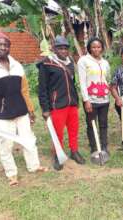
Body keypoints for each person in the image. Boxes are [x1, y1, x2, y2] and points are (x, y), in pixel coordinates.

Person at [0, 30, 47, 186]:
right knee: (5, 144)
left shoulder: (17, 65)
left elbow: (24, 90)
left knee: (29, 140)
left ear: (9, 47)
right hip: (1, 114)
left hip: (21, 111)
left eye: (5, 45)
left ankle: (34, 166)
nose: (2, 47)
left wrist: (30, 110)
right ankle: (11, 174)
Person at [37, 36, 85, 171]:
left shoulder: (70, 63)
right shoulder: (46, 64)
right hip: (57, 104)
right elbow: (42, 89)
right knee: (58, 132)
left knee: (73, 129)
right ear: (54, 49)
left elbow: (72, 84)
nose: (63, 51)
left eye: (65, 48)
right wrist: (45, 109)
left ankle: (74, 151)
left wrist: (76, 100)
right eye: (60, 48)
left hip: (72, 104)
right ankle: (58, 154)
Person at [78, 37, 110, 157]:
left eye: (98, 47)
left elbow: (107, 79)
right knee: (92, 124)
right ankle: (94, 148)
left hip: (104, 99)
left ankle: (104, 145)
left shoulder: (105, 62)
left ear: (102, 48)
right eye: (94, 47)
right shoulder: (83, 61)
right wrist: (86, 100)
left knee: (103, 124)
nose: (96, 49)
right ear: (89, 48)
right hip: (91, 100)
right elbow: (82, 82)